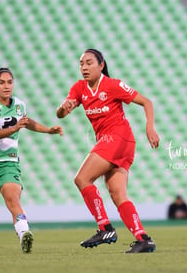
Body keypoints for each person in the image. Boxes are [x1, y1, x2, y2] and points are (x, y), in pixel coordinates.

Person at [56, 48, 160, 253]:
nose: (84, 67)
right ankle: (143, 238)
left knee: (82, 179)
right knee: (118, 194)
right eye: (81, 63)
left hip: (118, 138)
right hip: (119, 143)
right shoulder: (79, 88)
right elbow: (61, 114)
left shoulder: (112, 85)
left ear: (101, 65)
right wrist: (63, 107)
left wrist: (150, 127)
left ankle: (105, 228)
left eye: (89, 63)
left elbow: (146, 102)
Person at [0, 62, 63, 254]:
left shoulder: (19, 105)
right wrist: (14, 128)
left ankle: (24, 233)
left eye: (10, 82)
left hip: (8, 163)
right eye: (2, 82)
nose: (7, 86)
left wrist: (48, 130)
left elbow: (26, 122)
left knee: (12, 199)